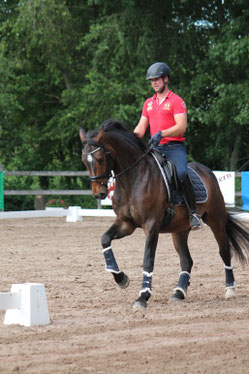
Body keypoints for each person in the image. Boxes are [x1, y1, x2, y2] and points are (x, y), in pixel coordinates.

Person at [134, 62, 202, 230]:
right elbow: (141, 129)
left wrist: (161, 133)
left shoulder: (177, 101)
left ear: (165, 79)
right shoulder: (148, 103)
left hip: (173, 147)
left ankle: (193, 213)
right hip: (155, 148)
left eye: (157, 79)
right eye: (151, 80)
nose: (154, 83)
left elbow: (181, 126)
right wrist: (128, 139)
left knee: (179, 172)